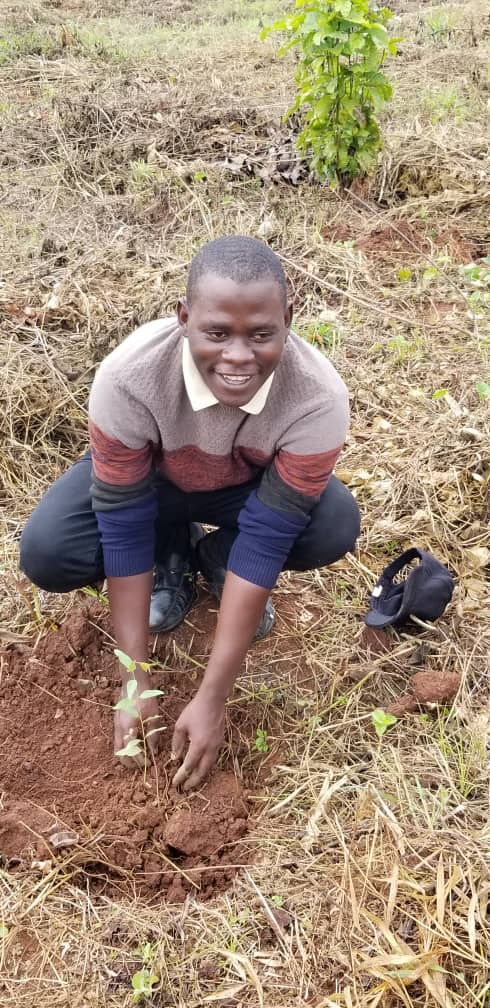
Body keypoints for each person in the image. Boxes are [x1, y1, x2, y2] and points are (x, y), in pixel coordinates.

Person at [20, 235, 360, 791]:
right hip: (151, 484)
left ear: (289, 319)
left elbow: (271, 535)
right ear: (183, 318)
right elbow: (123, 517)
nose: (238, 356)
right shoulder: (129, 376)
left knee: (332, 524)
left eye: (261, 334)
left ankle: (215, 552)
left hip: (241, 490)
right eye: (217, 333)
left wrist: (212, 698)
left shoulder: (318, 398)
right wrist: (134, 684)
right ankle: (170, 549)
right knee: (48, 552)